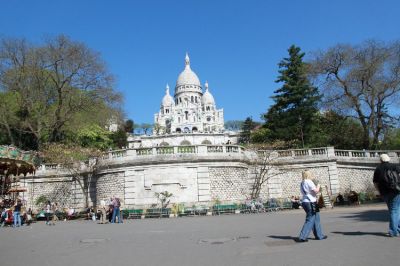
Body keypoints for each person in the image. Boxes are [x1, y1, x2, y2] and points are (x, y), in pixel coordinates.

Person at [373, 154, 400, 237]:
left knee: (393, 210)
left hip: (385, 192)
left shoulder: (378, 169)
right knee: (395, 210)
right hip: (395, 191)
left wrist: (379, 191)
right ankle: (394, 231)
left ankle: (396, 229)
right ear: (389, 159)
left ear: (380, 160)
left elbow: (375, 182)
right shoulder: (395, 166)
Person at [297, 170, 327, 242]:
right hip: (310, 202)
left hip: (306, 201)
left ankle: (319, 235)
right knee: (310, 219)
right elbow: (316, 191)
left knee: (316, 218)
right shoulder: (309, 181)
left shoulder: (302, 183)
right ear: (309, 174)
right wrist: (319, 185)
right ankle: (302, 237)